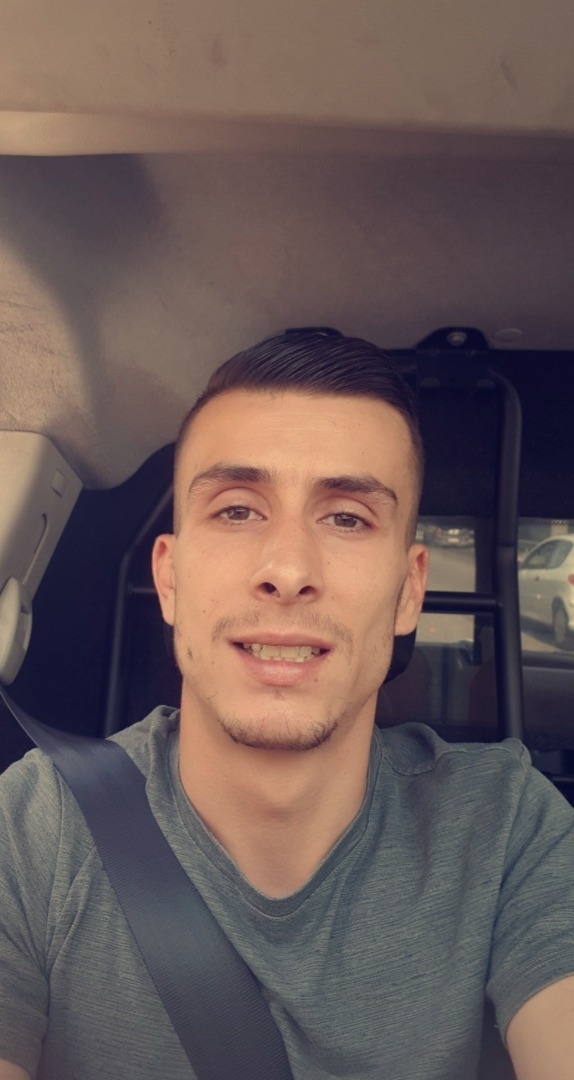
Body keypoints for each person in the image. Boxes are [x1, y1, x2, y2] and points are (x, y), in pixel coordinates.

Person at [0, 327, 573, 1080]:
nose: (289, 568)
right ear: (170, 579)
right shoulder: (32, 830)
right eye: (237, 510)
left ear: (409, 591)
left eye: (347, 517)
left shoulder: (506, 830)